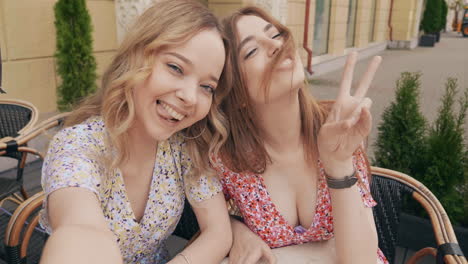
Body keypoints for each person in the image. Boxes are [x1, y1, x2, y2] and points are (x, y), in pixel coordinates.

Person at [38, 1, 232, 263]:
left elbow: (218, 233)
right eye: (175, 68)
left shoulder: (185, 148)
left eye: (207, 86)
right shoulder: (78, 145)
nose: (190, 97)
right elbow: (80, 229)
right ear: (135, 58)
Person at [212, 6, 388, 264]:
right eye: (251, 51)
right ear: (236, 93)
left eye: (275, 35)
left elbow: (362, 260)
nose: (275, 46)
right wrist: (235, 230)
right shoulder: (229, 159)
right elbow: (209, 219)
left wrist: (338, 164)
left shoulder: (337, 129)